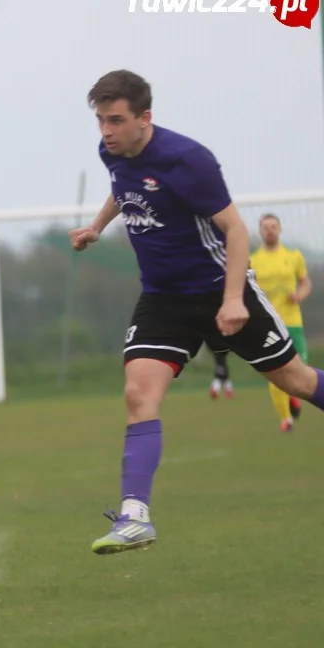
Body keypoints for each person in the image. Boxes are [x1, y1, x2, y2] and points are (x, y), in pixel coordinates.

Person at [69, 69, 324, 555]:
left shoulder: (188, 160)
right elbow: (123, 188)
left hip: (219, 288)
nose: (106, 131)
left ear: (145, 118)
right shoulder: (112, 151)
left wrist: (232, 299)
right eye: (100, 120)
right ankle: (135, 517)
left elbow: (235, 230)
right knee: (138, 394)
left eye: (116, 120)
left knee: (295, 381)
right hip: (163, 299)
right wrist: (97, 226)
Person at [250, 213, 312, 431]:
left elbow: (305, 283)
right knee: (276, 372)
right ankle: (286, 419)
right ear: (260, 231)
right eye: (266, 227)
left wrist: (299, 295)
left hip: (292, 321)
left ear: (280, 229)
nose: (270, 230)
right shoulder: (253, 261)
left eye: (273, 226)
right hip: (268, 324)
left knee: (300, 369)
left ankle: (293, 397)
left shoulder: (293, 256)